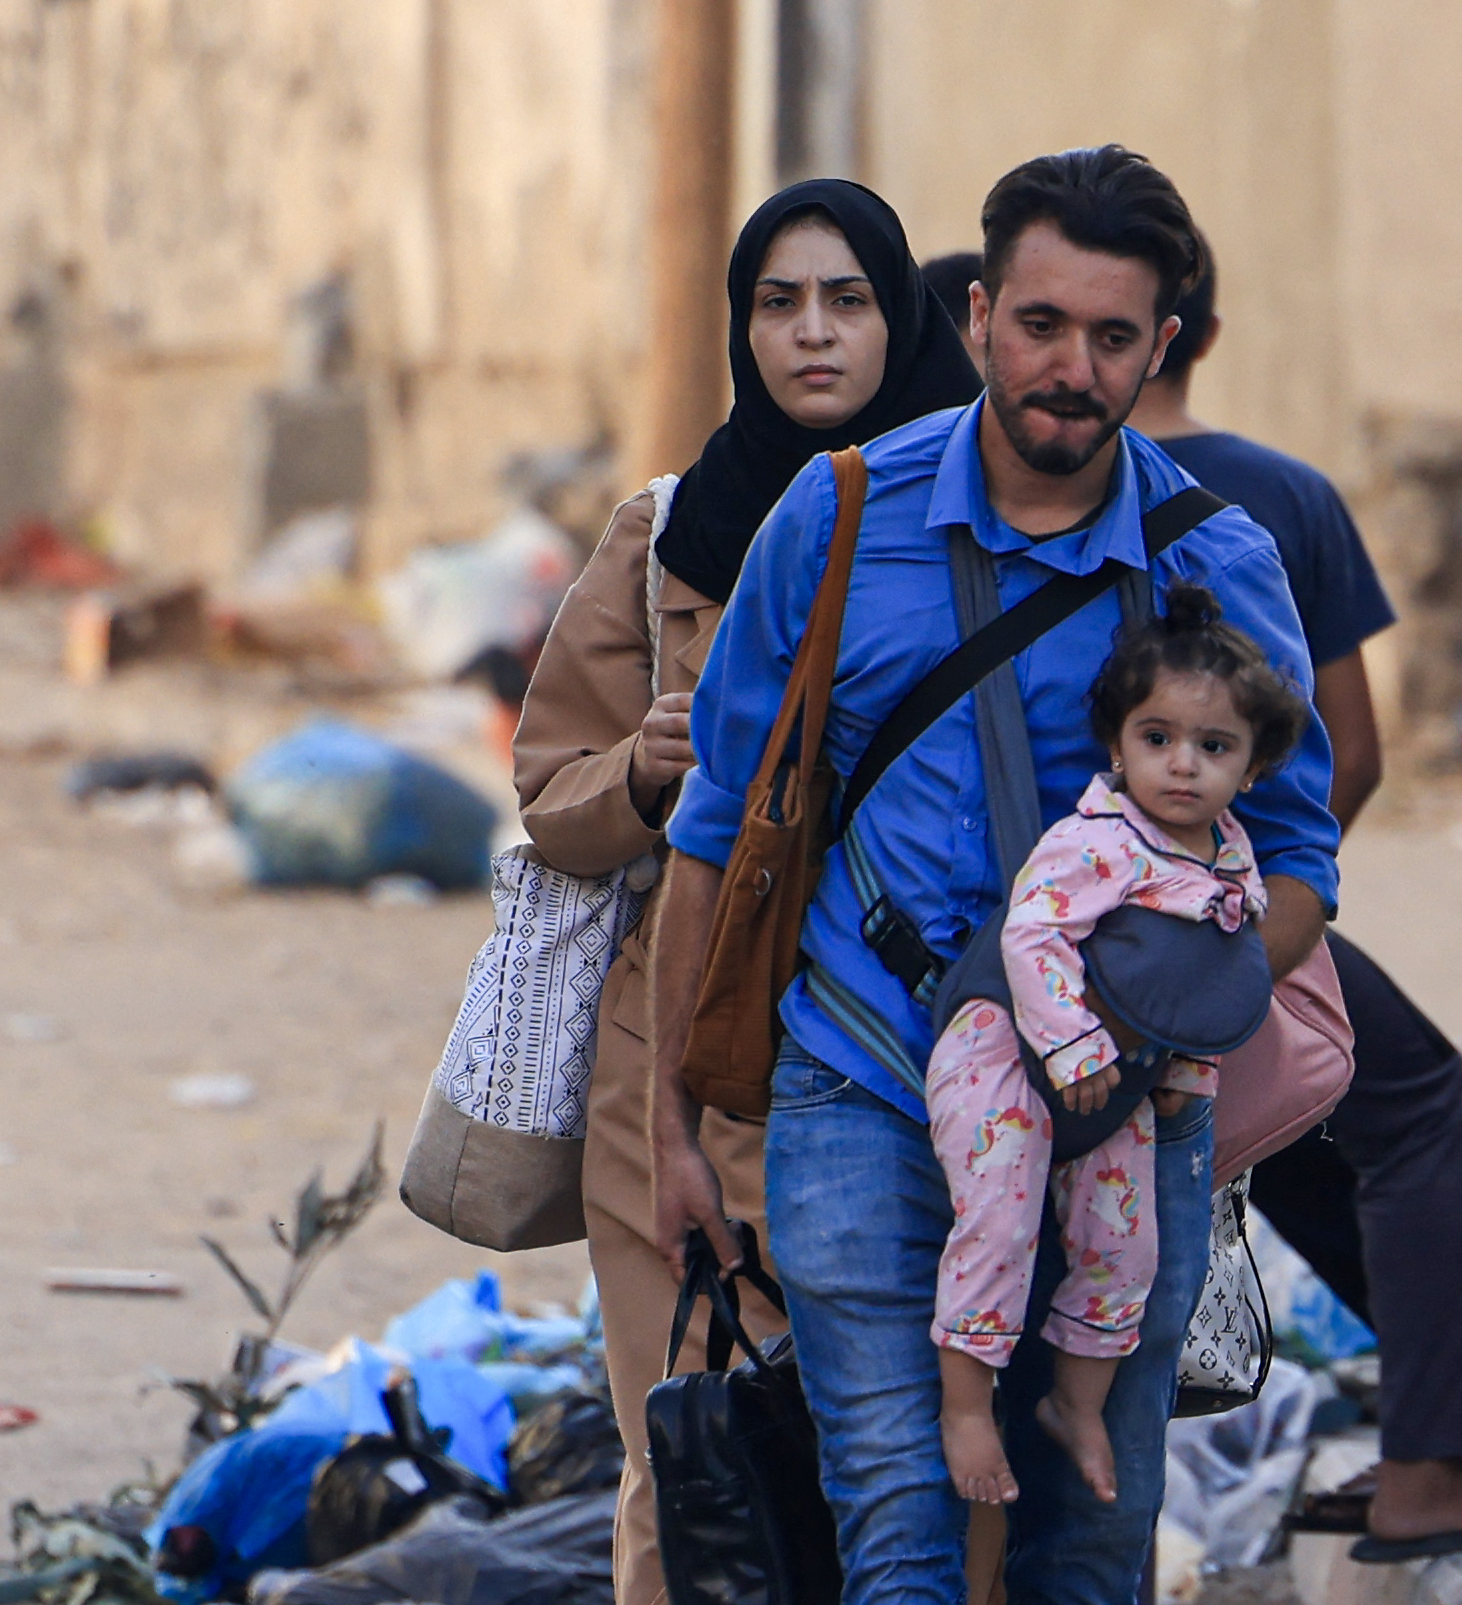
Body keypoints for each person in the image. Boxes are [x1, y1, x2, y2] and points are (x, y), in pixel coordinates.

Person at [643, 145, 1339, 1602]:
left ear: (1158, 348)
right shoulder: (834, 519)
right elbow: (716, 832)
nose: (1066, 369)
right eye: (1037, 324)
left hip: (1123, 1120)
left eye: (1108, 337)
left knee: (1083, 1542)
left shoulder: (1212, 561)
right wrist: (672, 1130)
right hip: (865, 1074)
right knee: (888, 1521)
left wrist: (1166, 1018)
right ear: (972, 319)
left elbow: (1294, 862)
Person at [511, 177, 979, 1605]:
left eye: (847, 300)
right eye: (776, 304)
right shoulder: (665, 540)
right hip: (678, 1052)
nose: (811, 336)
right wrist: (641, 780)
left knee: (898, 1451)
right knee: (691, 1456)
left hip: (912, 1048)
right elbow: (545, 794)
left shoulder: (974, 533)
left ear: (898, 317)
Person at [1130, 244, 1462, 1563]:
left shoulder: (1008, 489)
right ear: (1202, 334)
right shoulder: (1280, 494)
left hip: (1065, 909)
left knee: (1304, 1124)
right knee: (1402, 1104)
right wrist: (1267, 906)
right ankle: (1425, 1466)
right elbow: (1354, 749)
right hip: (1249, 895)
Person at [931, 585, 1304, 1509]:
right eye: (1156, 738)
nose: (1182, 766)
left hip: (1121, 1086)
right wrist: (1070, 1043)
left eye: (1213, 747)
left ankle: (1076, 1400)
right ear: (1116, 744)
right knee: (1000, 1218)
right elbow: (1031, 936)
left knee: (1123, 1248)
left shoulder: (1229, 858)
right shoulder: (1095, 840)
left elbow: (1206, 984)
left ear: (1251, 767)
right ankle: (965, 1405)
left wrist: (1184, 1070)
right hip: (1006, 1056)